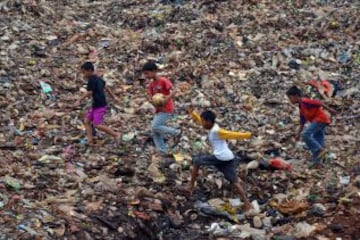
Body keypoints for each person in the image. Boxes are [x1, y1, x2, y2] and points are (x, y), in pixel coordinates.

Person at [183, 108, 253, 210]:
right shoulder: (212, 126)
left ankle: (190, 186)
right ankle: (247, 203)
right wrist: (193, 113)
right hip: (228, 158)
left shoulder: (217, 131)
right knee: (234, 181)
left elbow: (233, 134)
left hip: (219, 157)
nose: (201, 124)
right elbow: (199, 119)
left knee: (196, 161)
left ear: (208, 121)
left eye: (203, 122)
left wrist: (248, 135)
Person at [286, 86, 336, 168]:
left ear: (295, 96)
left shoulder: (305, 101)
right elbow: (302, 122)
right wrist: (298, 134)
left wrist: (330, 110)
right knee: (318, 140)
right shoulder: (301, 106)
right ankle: (317, 163)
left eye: (290, 98)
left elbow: (319, 103)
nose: (290, 100)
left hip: (320, 119)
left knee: (306, 135)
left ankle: (321, 150)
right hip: (319, 121)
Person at [75, 62, 120, 145]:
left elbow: (89, 92)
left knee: (97, 125)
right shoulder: (98, 78)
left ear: (89, 71)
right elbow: (106, 87)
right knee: (87, 121)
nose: (83, 75)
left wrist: (79, 100)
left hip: (99, 105)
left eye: (84, 72)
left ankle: (116, 134)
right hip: (96, 104)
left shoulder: (91, 80)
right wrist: (113, 97)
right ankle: (90, 141)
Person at [142, 61, 181, 155]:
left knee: (155, 126)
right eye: (144, 74)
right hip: (159, 110)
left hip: (167, 108)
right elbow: (152, 97)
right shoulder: (151, 85)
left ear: (154, 71)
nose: (146, 75)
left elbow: (174, 90)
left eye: (147, 73)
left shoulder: (163, 80)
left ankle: (176, 132)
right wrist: (152, 101)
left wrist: (166, 99)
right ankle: (162, 151)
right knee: (155, 131)